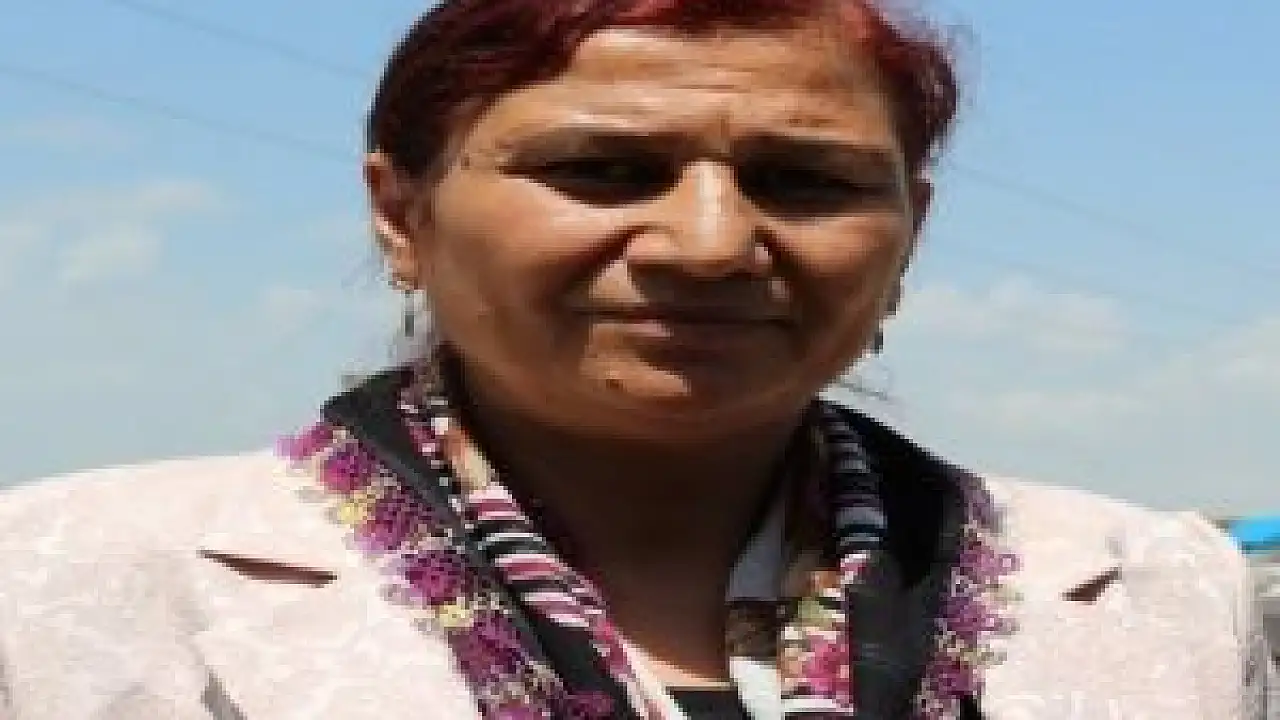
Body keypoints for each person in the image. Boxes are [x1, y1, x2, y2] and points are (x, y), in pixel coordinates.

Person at [0, 1, 1274, 718]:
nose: (709, 244)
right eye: (602, 170)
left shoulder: (1155, 593)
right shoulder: (67, 586)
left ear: (909, 233)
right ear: (400, 214)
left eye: (805, 181)